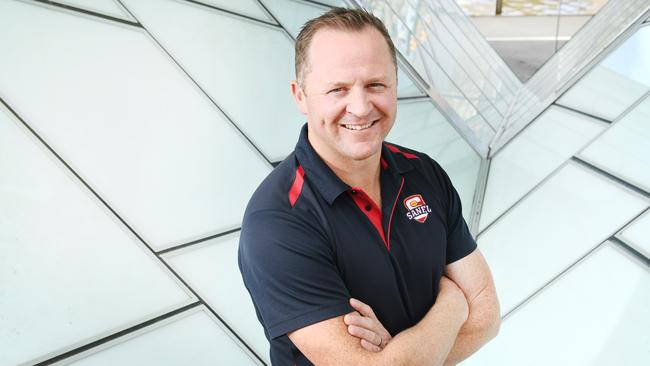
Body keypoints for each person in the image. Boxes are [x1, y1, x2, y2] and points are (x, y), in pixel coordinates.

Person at [238, 7, 500, 366]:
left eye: (376, 84)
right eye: (338, 89)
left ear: (395, 85)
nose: (360, 108)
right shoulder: (278, 221)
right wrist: (452, 304)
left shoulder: (424, 173)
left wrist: (404, 355)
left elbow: (486, 316)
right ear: (300, 96)